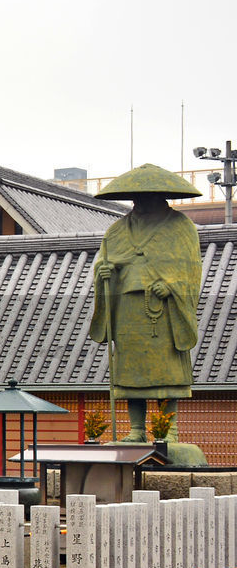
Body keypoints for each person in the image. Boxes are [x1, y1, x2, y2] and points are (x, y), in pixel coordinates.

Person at [89, 163, 201, 442]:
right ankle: (137, 430)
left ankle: (169, 431)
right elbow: (105, 262)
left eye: (146, 196)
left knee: (167, 371)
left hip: (165, 310)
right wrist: (103, 272)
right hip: (127, 309)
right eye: (136, 197)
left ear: (160, 196)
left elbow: (190, 267)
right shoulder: (116, 231)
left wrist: (173, 285)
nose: (139, 201)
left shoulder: (180, 226)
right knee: (130, 372)